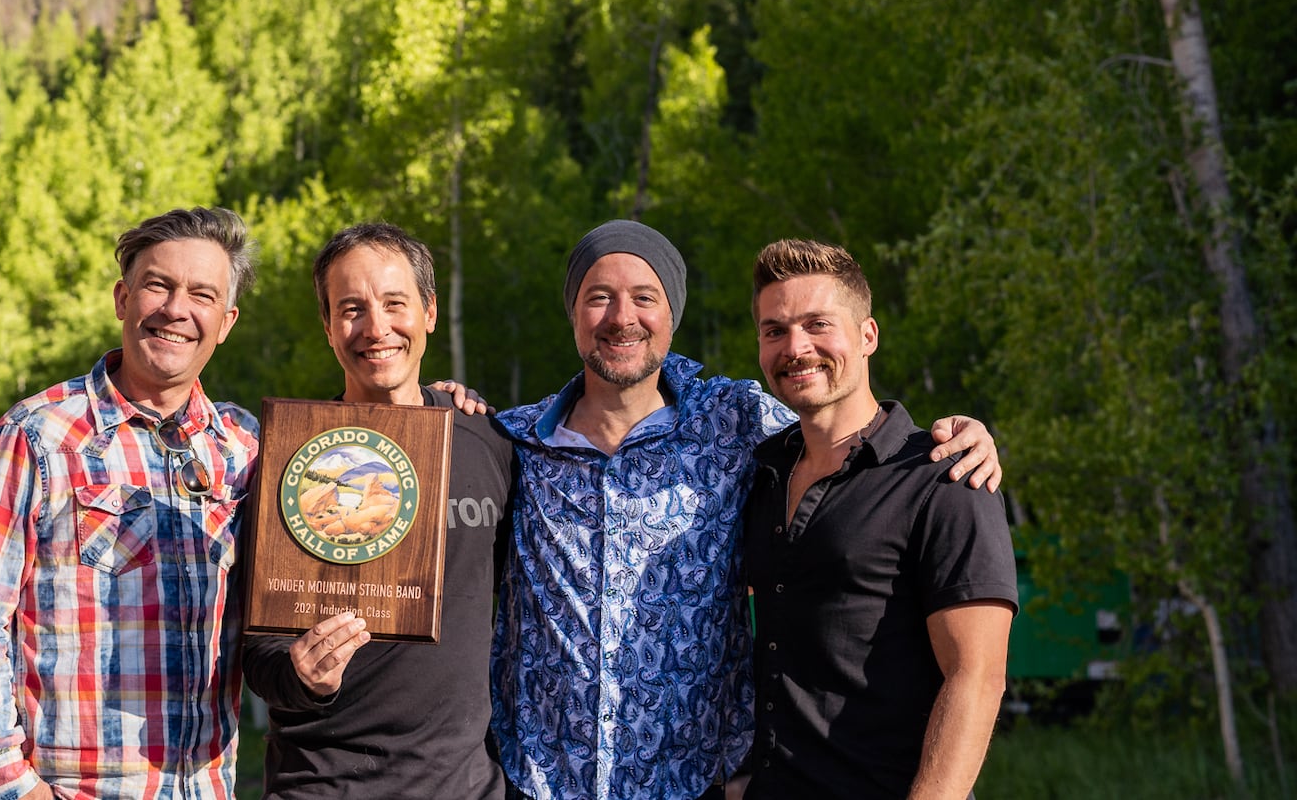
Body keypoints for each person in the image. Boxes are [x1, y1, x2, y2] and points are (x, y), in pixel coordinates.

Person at [490, 220, 1002, 800]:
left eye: (644, 297)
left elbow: (846, 427)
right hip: (538, 786)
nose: (620, 317)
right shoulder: (511, 442)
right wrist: (438, 401)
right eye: (598, 297)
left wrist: (965, 436)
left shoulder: (733, 422)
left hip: (691, 788)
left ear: (672, 314)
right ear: (574, 314)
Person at [0, 207, 260, 800]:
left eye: (201, 294)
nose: (177, 309)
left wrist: (439, 404)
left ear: (226, 321)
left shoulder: (245, 450)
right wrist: (10, 785)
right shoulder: (36, 436)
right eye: (159, 285)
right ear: (122, 298)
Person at [242, 222, 515, 798]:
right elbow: (256, 654)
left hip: (464, 786)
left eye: (395, 303)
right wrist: (301, 676)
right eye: (351, 309)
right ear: (327, 325)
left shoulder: (489, 440)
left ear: (430, 312)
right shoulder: (290, 459)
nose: (375, 328)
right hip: (321, 785)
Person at [744, 239, 1017, 798]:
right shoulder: (758, 473)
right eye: (775, 330)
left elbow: (977, 678)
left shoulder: (945, 475)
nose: (796, 348)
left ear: (868, 336)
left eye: (818, 324)